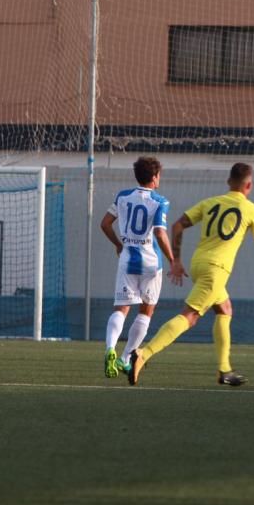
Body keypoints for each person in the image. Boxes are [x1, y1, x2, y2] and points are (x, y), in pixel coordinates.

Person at [129, 163, 254, 387]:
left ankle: (224, 369)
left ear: (228, 182)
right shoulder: (252, 210)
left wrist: (177, 260)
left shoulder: (210, 203)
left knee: (224, 308)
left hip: (199, 264)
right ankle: (143, 354)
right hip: (216, 270)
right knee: (190, 316)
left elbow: (177, 226)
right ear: (249, 185)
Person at [99, 157, 175, 378]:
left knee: (121, 309)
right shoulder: (160, 201)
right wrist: (173, 260)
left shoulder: (123, 196)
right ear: (154, 177)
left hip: (127, 259)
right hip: (152, 264)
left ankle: (109, 349)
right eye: (159, 174)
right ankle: (124, 359)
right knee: (146, 311)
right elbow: (160, 233)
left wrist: (118, 244)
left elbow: (104, 224)